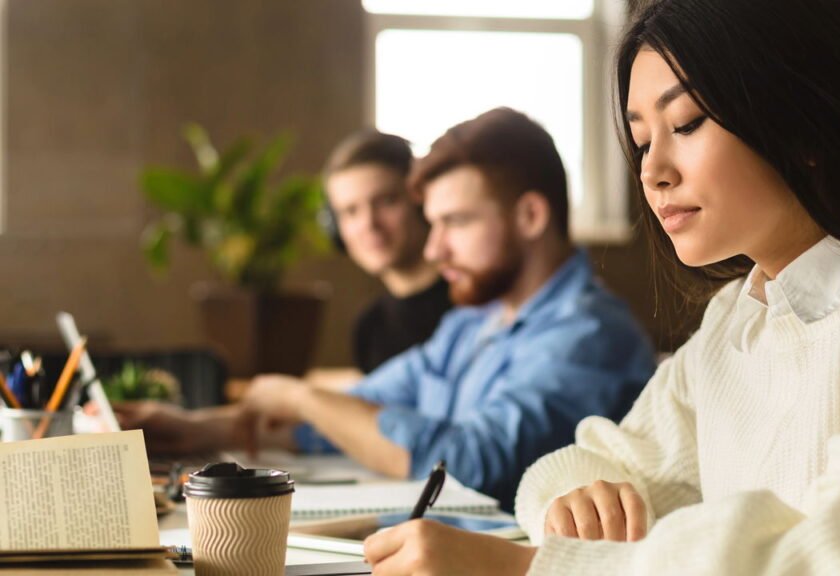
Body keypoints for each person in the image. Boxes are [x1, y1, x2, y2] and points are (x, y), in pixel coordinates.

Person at [359, 0, 840, 574]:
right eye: (642, 140)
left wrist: (540, 567)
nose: (653, 172)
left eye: (685, 124)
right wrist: (574, 507)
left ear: (804, 123)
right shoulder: (738, 316)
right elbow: (581, 467)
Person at [119, 108, 657, 511]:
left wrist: (301, 396)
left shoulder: (587, 335)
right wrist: (196, 430)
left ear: (531, 216)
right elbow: (362, 409)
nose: (434, 249)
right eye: (434, 223)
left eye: (456, 222)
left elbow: (466, 465)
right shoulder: (470, 323)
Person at [319, 129, 451, 377]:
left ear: (422, 203)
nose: (369, 224)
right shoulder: (369, 328)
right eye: (350, 211)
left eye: (386, 201)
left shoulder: (474, 302)